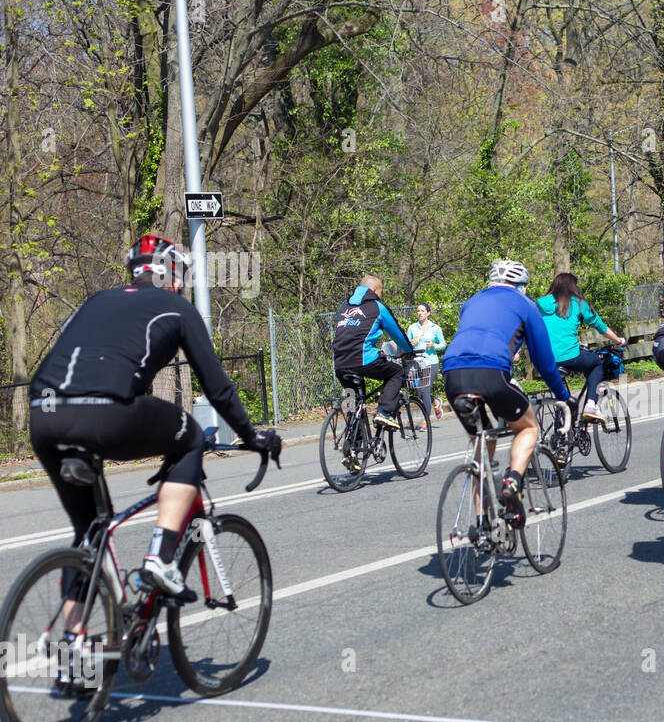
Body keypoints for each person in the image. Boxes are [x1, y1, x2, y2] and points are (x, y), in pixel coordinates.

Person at [29, 233, 280, 613]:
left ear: (134, 273)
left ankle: (71, 645)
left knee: (89, 532)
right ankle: (160, 558)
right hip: (104, 414)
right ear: (175, 277)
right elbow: (216, 387)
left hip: (44, 416)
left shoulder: (97, 301)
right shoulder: (176, 307)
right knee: (192, 436)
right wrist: (251, 435)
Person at [440, 260, 572, 528]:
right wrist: (563, 394)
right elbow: (543, 361)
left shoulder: (472, 301)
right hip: (490, 372)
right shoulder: (525, 304)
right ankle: (513, 481)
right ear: (521, 286)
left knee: (481, 441)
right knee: (527, 428)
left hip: (452, 373)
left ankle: (482, 524)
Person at [536, 272, 625, 421]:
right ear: (573, 287)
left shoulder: (540, 304)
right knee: (596, 363)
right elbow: (600, 326)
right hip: (568, 355)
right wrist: (618, 340)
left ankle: (563, 429)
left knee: (564, 396)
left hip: (544, 359)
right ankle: (591, 404)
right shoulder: (578, 303)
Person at [332, 274, 415, 430]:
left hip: (340, 364)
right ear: (375, 290)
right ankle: (384, 412)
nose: (381, 295)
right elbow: (397, 333)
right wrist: (409, 350)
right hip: (364, 360)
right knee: (396, 372)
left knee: (354, 404)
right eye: (381, 292)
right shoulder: (378, 307)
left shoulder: (343, 306)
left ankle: (351, 446)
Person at [407, 302, 447, 426]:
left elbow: (443, 344)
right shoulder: (412, 328)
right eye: (418, 311)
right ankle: (435, 402)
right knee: (419, 392)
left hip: (431, 363)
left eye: (422, 311)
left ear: (428, 313)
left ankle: (426, 421)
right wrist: (412, 343)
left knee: (425, 389)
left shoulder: (435, 328)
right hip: (417, 363)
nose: (419, 313)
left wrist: (434, 345)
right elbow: (406, 344)